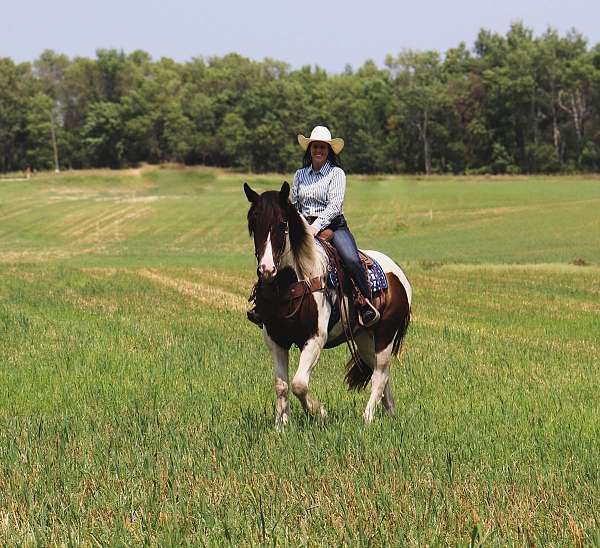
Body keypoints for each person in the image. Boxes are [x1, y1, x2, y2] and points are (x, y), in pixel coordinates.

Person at [248, 125, 380, 328]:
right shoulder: (300, 174)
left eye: (323, 147)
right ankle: (262, 303)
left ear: (329, 151)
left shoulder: (336, 174)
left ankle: (364, 302)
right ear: (309, 149)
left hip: (333, 227)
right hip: (302, 226)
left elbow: (335, 206)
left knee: (351, 260)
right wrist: (300, 225)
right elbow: (294, 205)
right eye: (315, 147)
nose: (318, 151)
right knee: (273, 255)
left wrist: (316, 227)